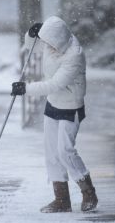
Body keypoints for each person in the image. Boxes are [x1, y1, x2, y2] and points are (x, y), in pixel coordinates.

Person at [11, 16, 98, 213]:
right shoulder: (52, 43)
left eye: (49, 42)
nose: (47, 46)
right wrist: (31, 34)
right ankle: (61, 200)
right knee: (51, 153)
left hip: (71, 107)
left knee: (65, 151)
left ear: (58, 40)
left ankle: (88, 191)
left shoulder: (74, 56)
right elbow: (30, 46)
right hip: (53, 104)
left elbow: (55, 84)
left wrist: (26, 88)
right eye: (46, 41)